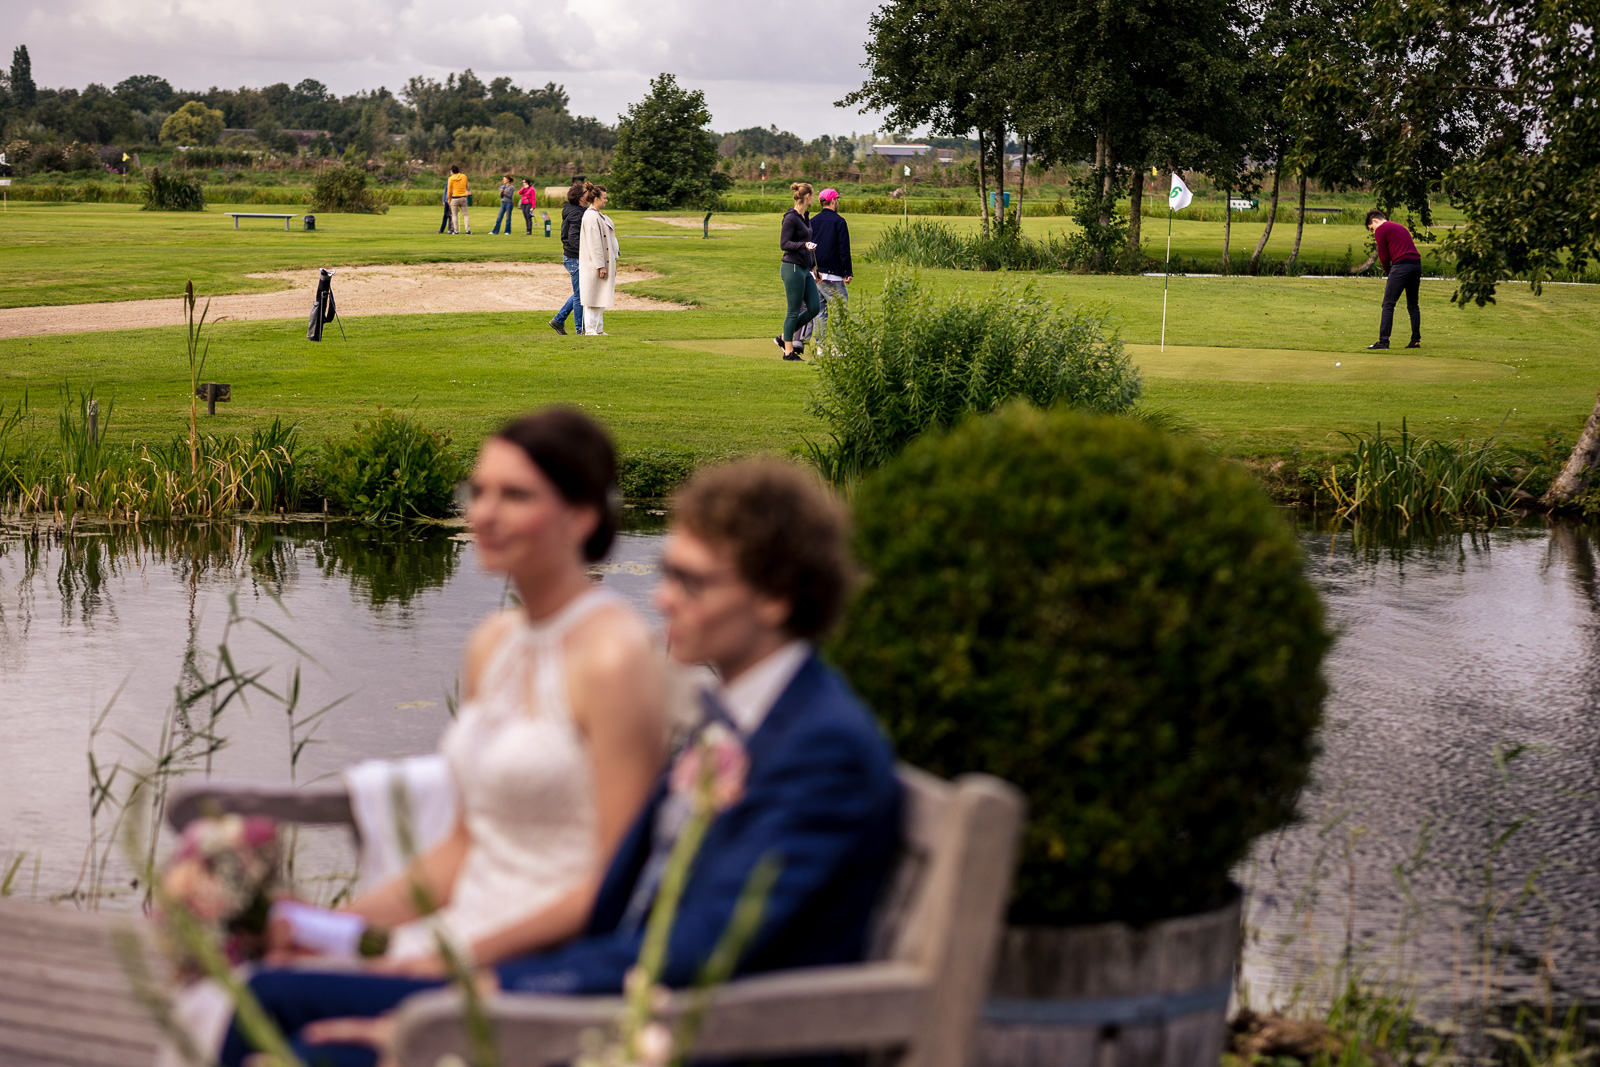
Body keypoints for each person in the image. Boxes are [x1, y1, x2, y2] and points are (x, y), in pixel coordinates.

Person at [222, 461, 903, 1067]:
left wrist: (489, 992)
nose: (664, 598)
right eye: (667, 572)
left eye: (692, 581)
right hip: (596, 990)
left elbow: (699, 949)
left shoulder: (822, 750)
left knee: (310, 1045)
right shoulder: (737, 714)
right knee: (267, 993)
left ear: (775, 597)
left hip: (678, 1034)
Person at [218, 409, 669, 1067]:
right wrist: (344, 927)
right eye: (478, 490)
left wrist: (442, 963)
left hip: (524, 974)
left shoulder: (615, 655)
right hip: (452, 936)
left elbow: (607, 884)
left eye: (515, 495)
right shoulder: (494, 643)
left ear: (581, 515)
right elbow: (462, 844)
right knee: (258, 992)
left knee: (289, 1039)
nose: (484, 512)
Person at [775, 182, 820, 361]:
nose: (814, 198)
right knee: (793, 310)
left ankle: (783, 336)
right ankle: (788, 352)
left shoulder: (805, 217)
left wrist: (814, 267)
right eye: (813, 195)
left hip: (804, 268)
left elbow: (808, 245)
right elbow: (784, 244)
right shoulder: (791, 218)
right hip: (791, 267)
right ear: (807, 196)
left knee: (814, 307)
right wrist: (803, 245)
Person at [1366, 209, 1421, 350]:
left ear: (1374, 221)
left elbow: (1384, 256)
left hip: (1401, 265)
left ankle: (1383, 342)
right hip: (1416, 265)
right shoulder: (1399, 227)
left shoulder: (1381, 229)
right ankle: (1415, 340)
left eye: (1372, 229)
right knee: (1413, 304)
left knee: (1388, 304)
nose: (1374, 232)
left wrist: (1388, 272)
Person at [808, 188, 853, 337]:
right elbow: (843, 249)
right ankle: (838, 346)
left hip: (816, 273)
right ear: (833, 201)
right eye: (837, 200)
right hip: (834, 274)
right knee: (840, 310)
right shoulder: (839, 221)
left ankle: (821, 348)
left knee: (820, 312)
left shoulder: (812, 221)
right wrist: (848, 272)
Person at [578, 182, 619, 337]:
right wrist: (600, 265)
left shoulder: (598, 216)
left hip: (604, 264)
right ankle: (590, 329)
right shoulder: (590, 217)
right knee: (592, 296)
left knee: (601, 295)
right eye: (604, 198)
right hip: (594, 265)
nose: (606, 200)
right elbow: (595, 244)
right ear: (595, 198)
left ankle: (598, 328)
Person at [549, 178, 586, 336]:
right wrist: (585, 254)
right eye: (585, 193)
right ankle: (580, 329)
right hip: (574, 258)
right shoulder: (576, 213)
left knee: (580, 292)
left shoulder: (573, 210)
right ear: (581, 198)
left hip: (571, 257)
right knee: (580, 295)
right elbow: (573, 238)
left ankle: (558, 320)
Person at [447, 164, 471, 235]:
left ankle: (455, 230)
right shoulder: (464, 176)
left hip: (454, 198)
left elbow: (449, 190)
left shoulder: (450, 178)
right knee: (465, 215)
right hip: (463, 197)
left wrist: (448, 199)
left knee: (454, 215)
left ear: (452, 171)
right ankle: (467, 230)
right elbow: (467, 186)